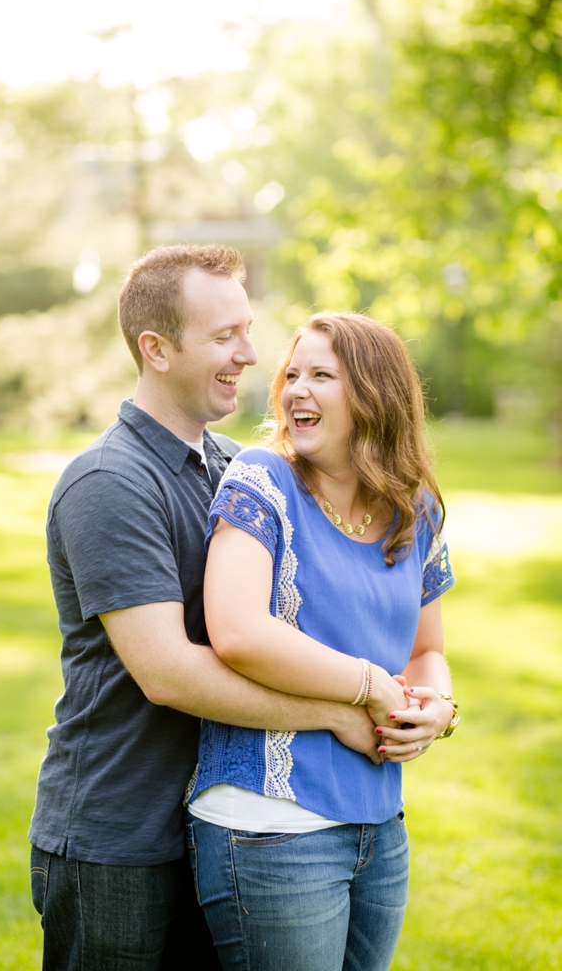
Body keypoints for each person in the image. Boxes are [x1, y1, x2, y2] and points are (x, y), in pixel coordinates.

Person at [28, 244, 388, 971]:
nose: (252, 355)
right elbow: (168, 673)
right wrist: (337, 711)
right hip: (119, 837)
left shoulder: (235, 469)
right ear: (155, 348)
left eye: (248, 331)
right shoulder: (108, 482)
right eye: (225, 336)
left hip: (222, 827)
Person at [186, 312, 457, 970]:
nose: (295, 391)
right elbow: (239, 631)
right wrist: (368, 684)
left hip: (379, 825)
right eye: (292, 375)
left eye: (322, 376)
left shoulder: (413, 510)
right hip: (272, 826)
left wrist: (438, 711)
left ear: (374, 394)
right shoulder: (262, 481)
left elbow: (427, 651)